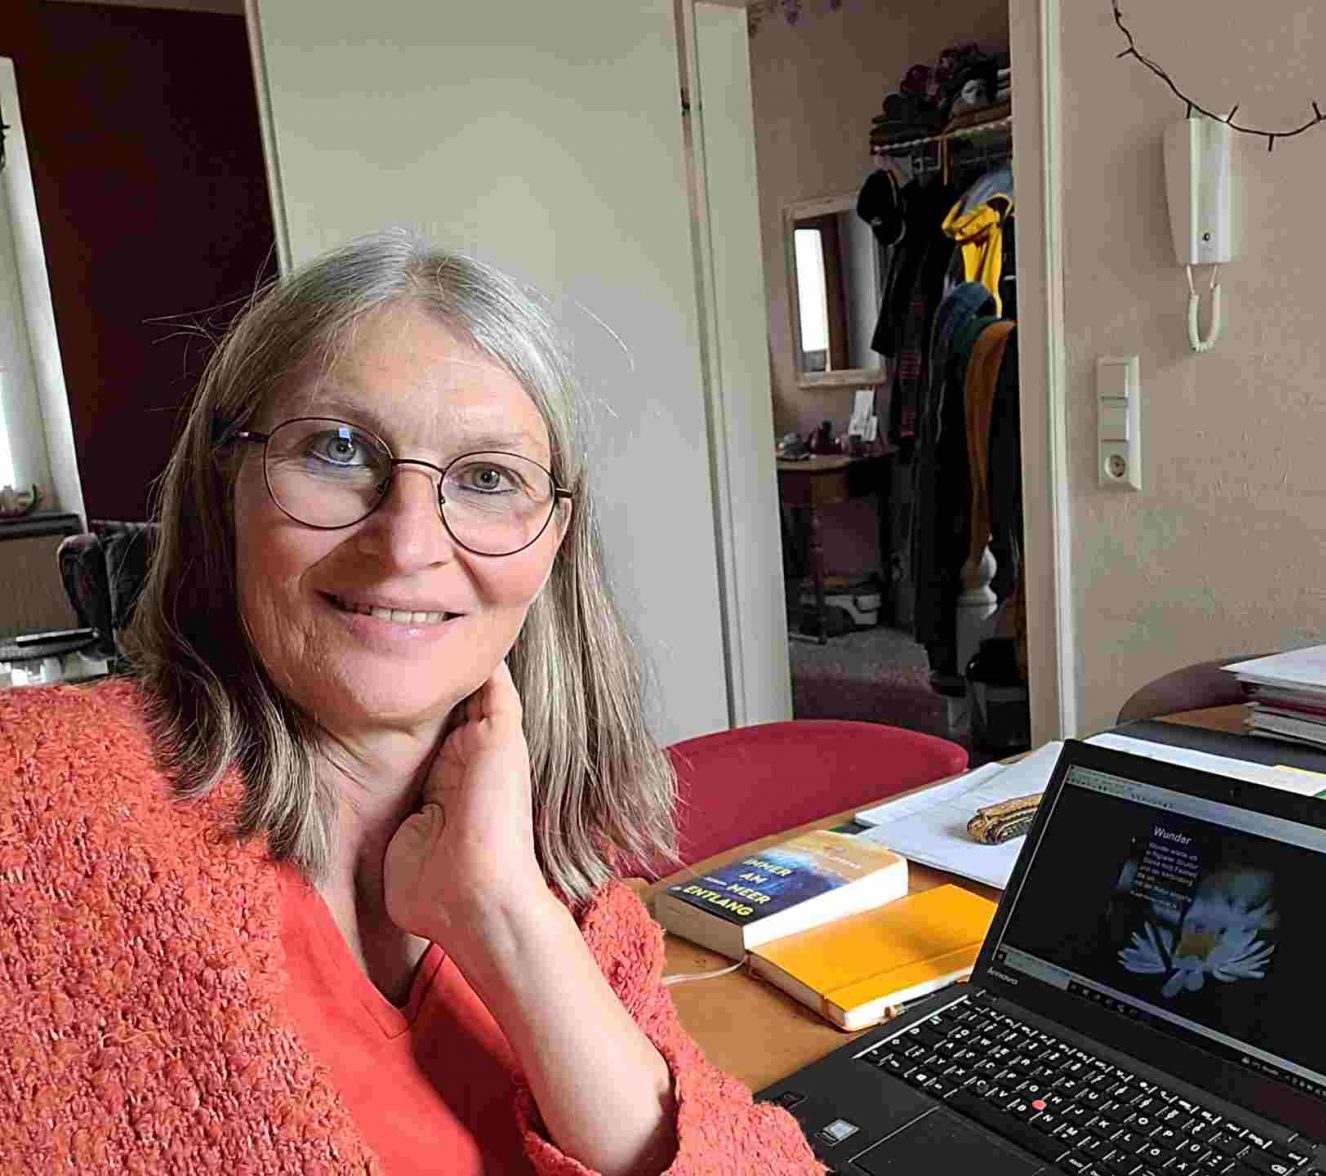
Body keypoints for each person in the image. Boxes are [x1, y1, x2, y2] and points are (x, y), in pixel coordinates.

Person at [0, 233, 822, 1174]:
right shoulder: (31, 810)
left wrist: (505, 916)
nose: (406, 546)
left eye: (487, 478)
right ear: (226, 487)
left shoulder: (562, 879)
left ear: (554, 539)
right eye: (338, 449)